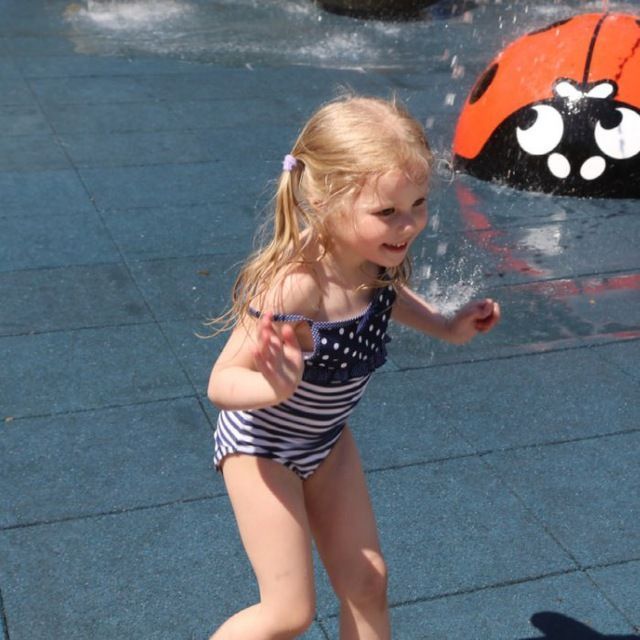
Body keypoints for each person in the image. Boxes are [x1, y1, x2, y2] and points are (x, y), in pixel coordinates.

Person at [207, 94, 500, 640]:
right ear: (325, 200)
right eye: (387, 212)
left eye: (418, 204)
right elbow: (221, 381)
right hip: (261, 446)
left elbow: (391, 295)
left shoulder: (373, 258)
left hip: (326, 441)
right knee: (288, 612)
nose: (408, 225)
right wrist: (272, 385)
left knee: (368, 582)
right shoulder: (298, 284)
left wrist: (447, 325)